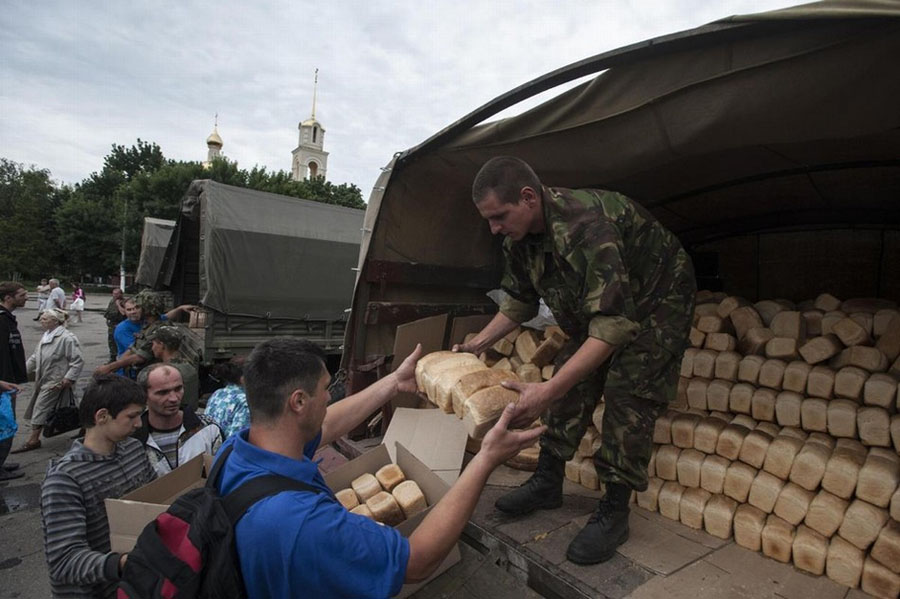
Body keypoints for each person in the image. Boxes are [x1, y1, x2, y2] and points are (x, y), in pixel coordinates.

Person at [455, 156, 696, 565]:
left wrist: (545, 392)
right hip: (603, 307)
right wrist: (476, 345)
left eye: (498, 216)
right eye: (489, 220)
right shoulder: (517, 240)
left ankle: (615, 510)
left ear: (528, 197)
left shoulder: (589, 227)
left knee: (628, 392)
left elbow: (616, 323)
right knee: (570, 373)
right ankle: (548, 481)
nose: (493, 228)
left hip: (659, 300)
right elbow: (518, 301)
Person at [214, 337, 543, 598]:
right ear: (298, 402)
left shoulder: (237, 451)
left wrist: (392, 383)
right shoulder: (304, 522)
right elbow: (416, 562)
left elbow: (324, 426)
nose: (330, 398)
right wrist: (487, 458)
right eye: (326, 389)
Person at [40, 374, 156, 599]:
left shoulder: (133, 449)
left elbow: (154, 499)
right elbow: (65, 561)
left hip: (133, 587)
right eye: (131, 416)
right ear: (102, 416)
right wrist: (123, 563)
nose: (139, 423)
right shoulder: (65, 480)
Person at [13, 308, 85, 453]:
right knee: (67, 406)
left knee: (41, 407)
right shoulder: (47, 335)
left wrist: (68, 378)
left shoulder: (67, 338)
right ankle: (86, 427)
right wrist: (21, 372)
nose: (41, 320)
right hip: (44, 378)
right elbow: (35, 357)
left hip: (56, 380)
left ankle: (33, 439)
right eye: (42, 317)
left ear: (55, 321)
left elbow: (77, 360)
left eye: (45, 318)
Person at [133, 363, 222, 476]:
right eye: (163, 392)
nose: (174, 398)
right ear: (144, 396)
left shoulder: (208, 429)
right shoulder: (133, 439)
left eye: (178, 389)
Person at [94, 292, 195, 377]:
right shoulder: (147, 324)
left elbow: (140, 356)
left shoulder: (157, 329)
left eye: (138, 307)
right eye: (130, 309)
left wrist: (109, 367)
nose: (135, 311)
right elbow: (133, 348)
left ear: (146, 310)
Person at [0, 282, 29, 476]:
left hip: (8, 381)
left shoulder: (7, 319)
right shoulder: (1, 320)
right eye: (22, 295)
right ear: (8, 298)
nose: (26, 297)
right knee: (5, 425)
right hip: (3, 384)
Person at [147, 325, 199, 411]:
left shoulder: (163, 372)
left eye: (153, 344)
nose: (152, 348)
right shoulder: (189, 367)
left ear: (161, 345)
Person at [203, 358, 248, 439]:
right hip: (226, 449)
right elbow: (237, 439)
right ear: (243, 379)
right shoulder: (244, 401)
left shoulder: (217, 393)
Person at [104, 288, 127, 362]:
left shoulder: (124, 302)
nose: (114, 295)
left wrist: (118, 305)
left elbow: (124, 313)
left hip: (120, 324)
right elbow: (108, 311)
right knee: (111, 341)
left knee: (120, 341)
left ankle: (123, 358)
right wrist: (107, 320)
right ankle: (112, 358)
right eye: (113, 294)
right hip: (112, 324)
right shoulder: (112, 301)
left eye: (116, 294)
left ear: (121, 294)